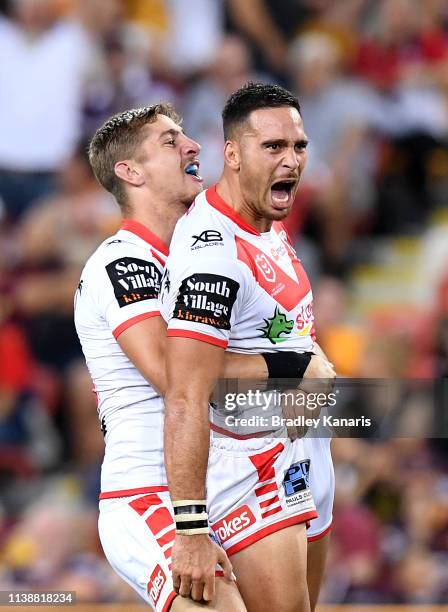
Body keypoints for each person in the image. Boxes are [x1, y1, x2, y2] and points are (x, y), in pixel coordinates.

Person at [74, 102, 330, 610]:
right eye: (170, 142)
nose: (193, 147)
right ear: (130, 172)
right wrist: (294, 366)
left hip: (227, 475)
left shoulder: (212, 245)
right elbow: (176, 375)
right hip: (149, 490)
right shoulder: (123, 262)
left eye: (187, 136)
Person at [161, 82, 335, 612]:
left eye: (299, 147)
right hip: (250, 463)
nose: (291, 161)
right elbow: (189, 389)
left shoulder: (267, 220)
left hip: (306, 448)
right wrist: (190, 526)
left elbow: (279, 323)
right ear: (232, 154)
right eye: (273, 148)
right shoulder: (213, 253)